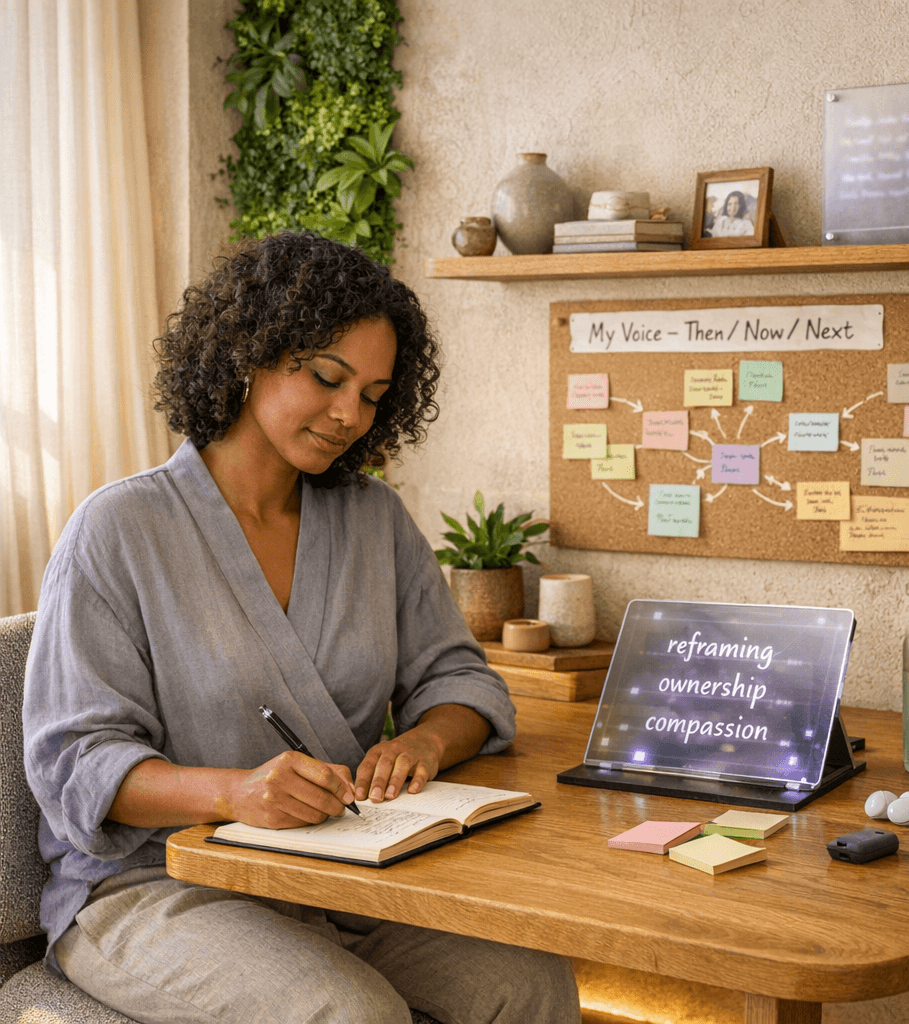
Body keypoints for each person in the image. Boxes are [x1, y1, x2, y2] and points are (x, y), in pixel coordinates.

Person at [23, 231, 581, 1024]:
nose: (351, 414)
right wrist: (239, 792)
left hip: (336, 878)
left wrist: (424, 740)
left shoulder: (374, 521)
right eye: (327, 377)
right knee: (349, 1015)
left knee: (530, 980)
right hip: (159, 887)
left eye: (375, 394)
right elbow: (75, 760)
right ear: (250, 356)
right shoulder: (119, 529)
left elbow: (461, 682)